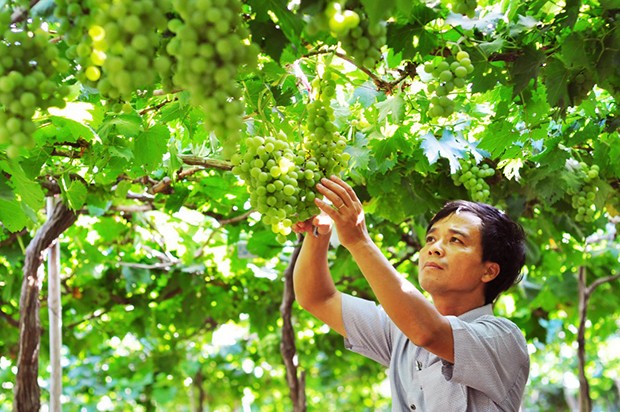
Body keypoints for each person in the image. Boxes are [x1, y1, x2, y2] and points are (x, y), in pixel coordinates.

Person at [292, 175, 529, 411]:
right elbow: (317, 298)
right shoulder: (399, 330)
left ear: (489, 271)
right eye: (431, 238)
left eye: (456, 240)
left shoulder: (504, 339)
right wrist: (317, 233)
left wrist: (359, 241)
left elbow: (428, 332)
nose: (434, 248)